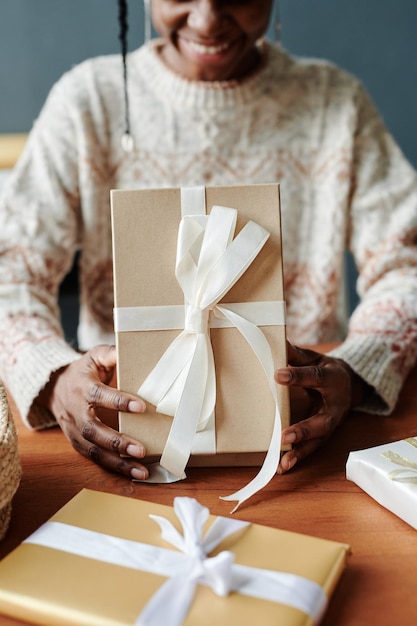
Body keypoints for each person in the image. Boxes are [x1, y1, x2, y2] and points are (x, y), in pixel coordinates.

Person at [0, 0, 416, 483]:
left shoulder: (335, 103)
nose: (207, 19)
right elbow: (9, 270)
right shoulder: (87, 101)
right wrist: (52, 377)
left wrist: (357, 370)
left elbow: (406, 266)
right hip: (126, 439)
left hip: (299, 445)